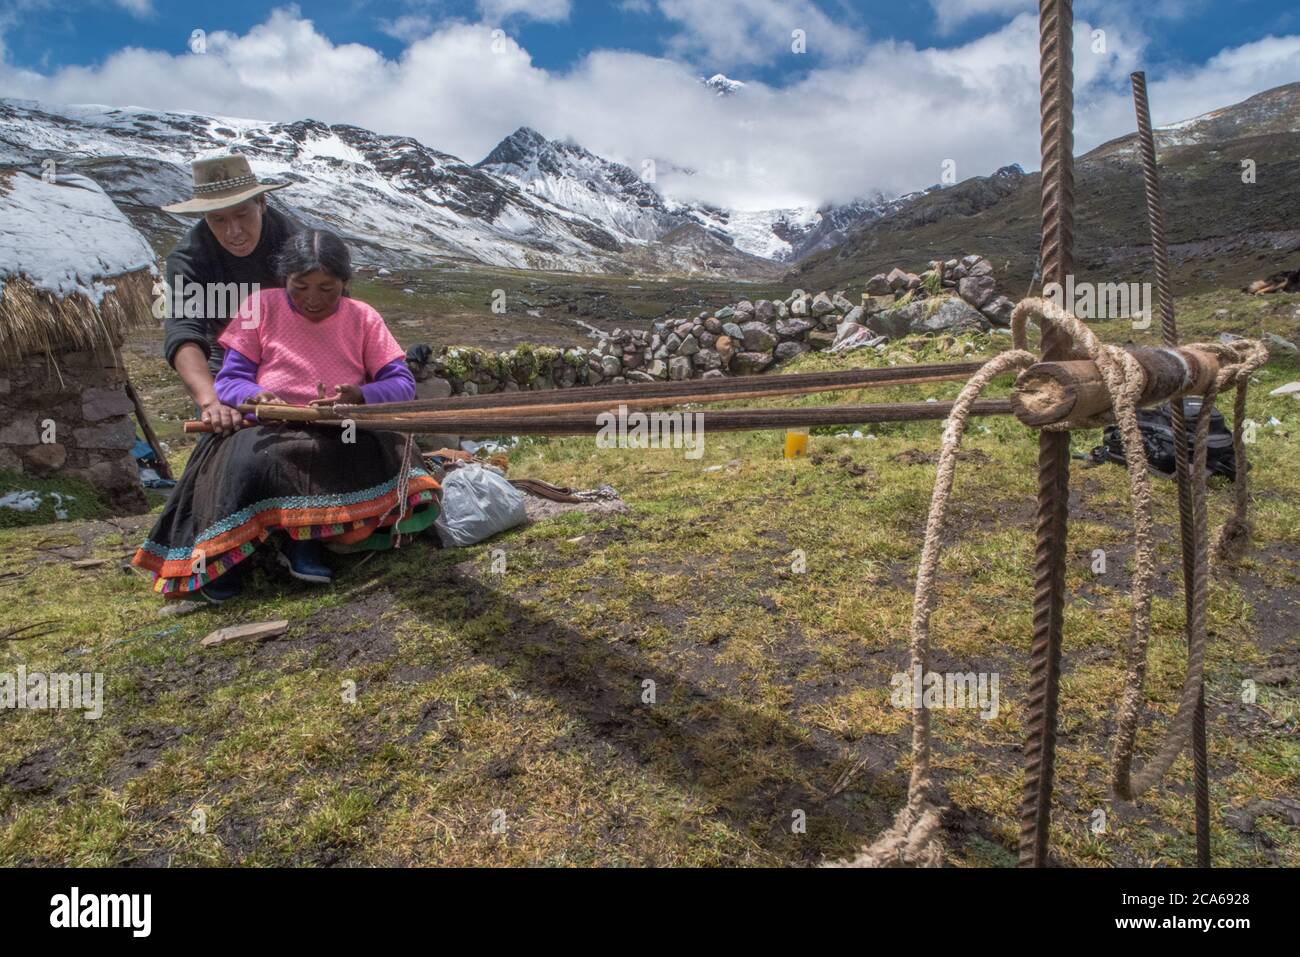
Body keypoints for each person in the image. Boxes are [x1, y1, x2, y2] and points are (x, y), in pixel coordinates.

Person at [132, 230, 440, 603]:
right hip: (271, 423)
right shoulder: (260, 308)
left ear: (345, 282)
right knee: (252, 458)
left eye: (327, 288)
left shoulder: (363, 318)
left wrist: (360, 394)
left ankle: (307, 541)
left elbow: (401, 383)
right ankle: (228, 559)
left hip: (340, 424)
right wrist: (253, 395)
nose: (313, 300)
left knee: (366, 450)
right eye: (300, 287)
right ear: (284, 281)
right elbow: (230, 380)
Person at [161, 154, 299, 435]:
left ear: (261, 204)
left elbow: (334, 311)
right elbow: (184, 332)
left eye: (241, 214)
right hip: (225, 362)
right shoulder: (188, 259)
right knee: (218, 445)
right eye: (218, 219)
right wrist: (211, 402)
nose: (233, 231)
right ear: (204, 217)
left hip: (295, 352)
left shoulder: (296, 244)